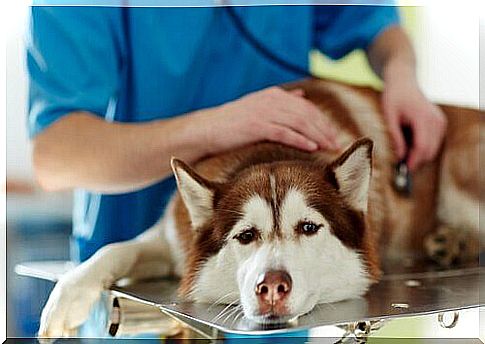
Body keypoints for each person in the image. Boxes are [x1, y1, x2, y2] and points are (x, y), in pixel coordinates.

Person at [28, 5, 446, 263]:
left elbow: (374, 22)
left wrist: (401, 74)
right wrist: (217, 128)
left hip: (277, 296)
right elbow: (56, 156)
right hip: (140, 282)